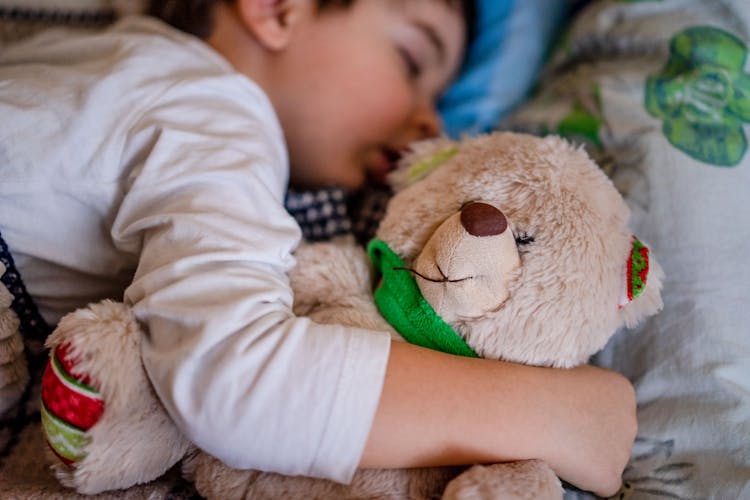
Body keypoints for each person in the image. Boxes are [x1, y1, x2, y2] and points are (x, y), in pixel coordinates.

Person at [0, 0, 635, 496]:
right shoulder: (212, 108)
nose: (431, 123)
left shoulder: (101, 65)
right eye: (412, 59)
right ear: (277, 10)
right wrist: (554, 413)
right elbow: (235, 376)